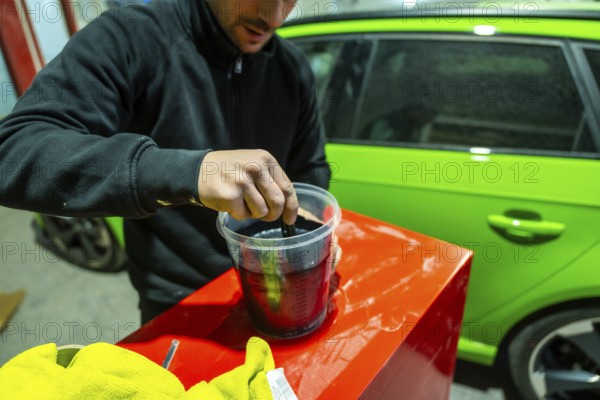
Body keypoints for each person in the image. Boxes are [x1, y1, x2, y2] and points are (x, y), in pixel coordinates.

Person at [0, 0, 330, 323]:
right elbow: (14, 150)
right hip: (181, 304)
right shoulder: (131, 37)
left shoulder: (292, 70)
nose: (273, 17)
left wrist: (307, 225)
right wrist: (188, 173)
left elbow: (310, 165)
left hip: (273, 284)